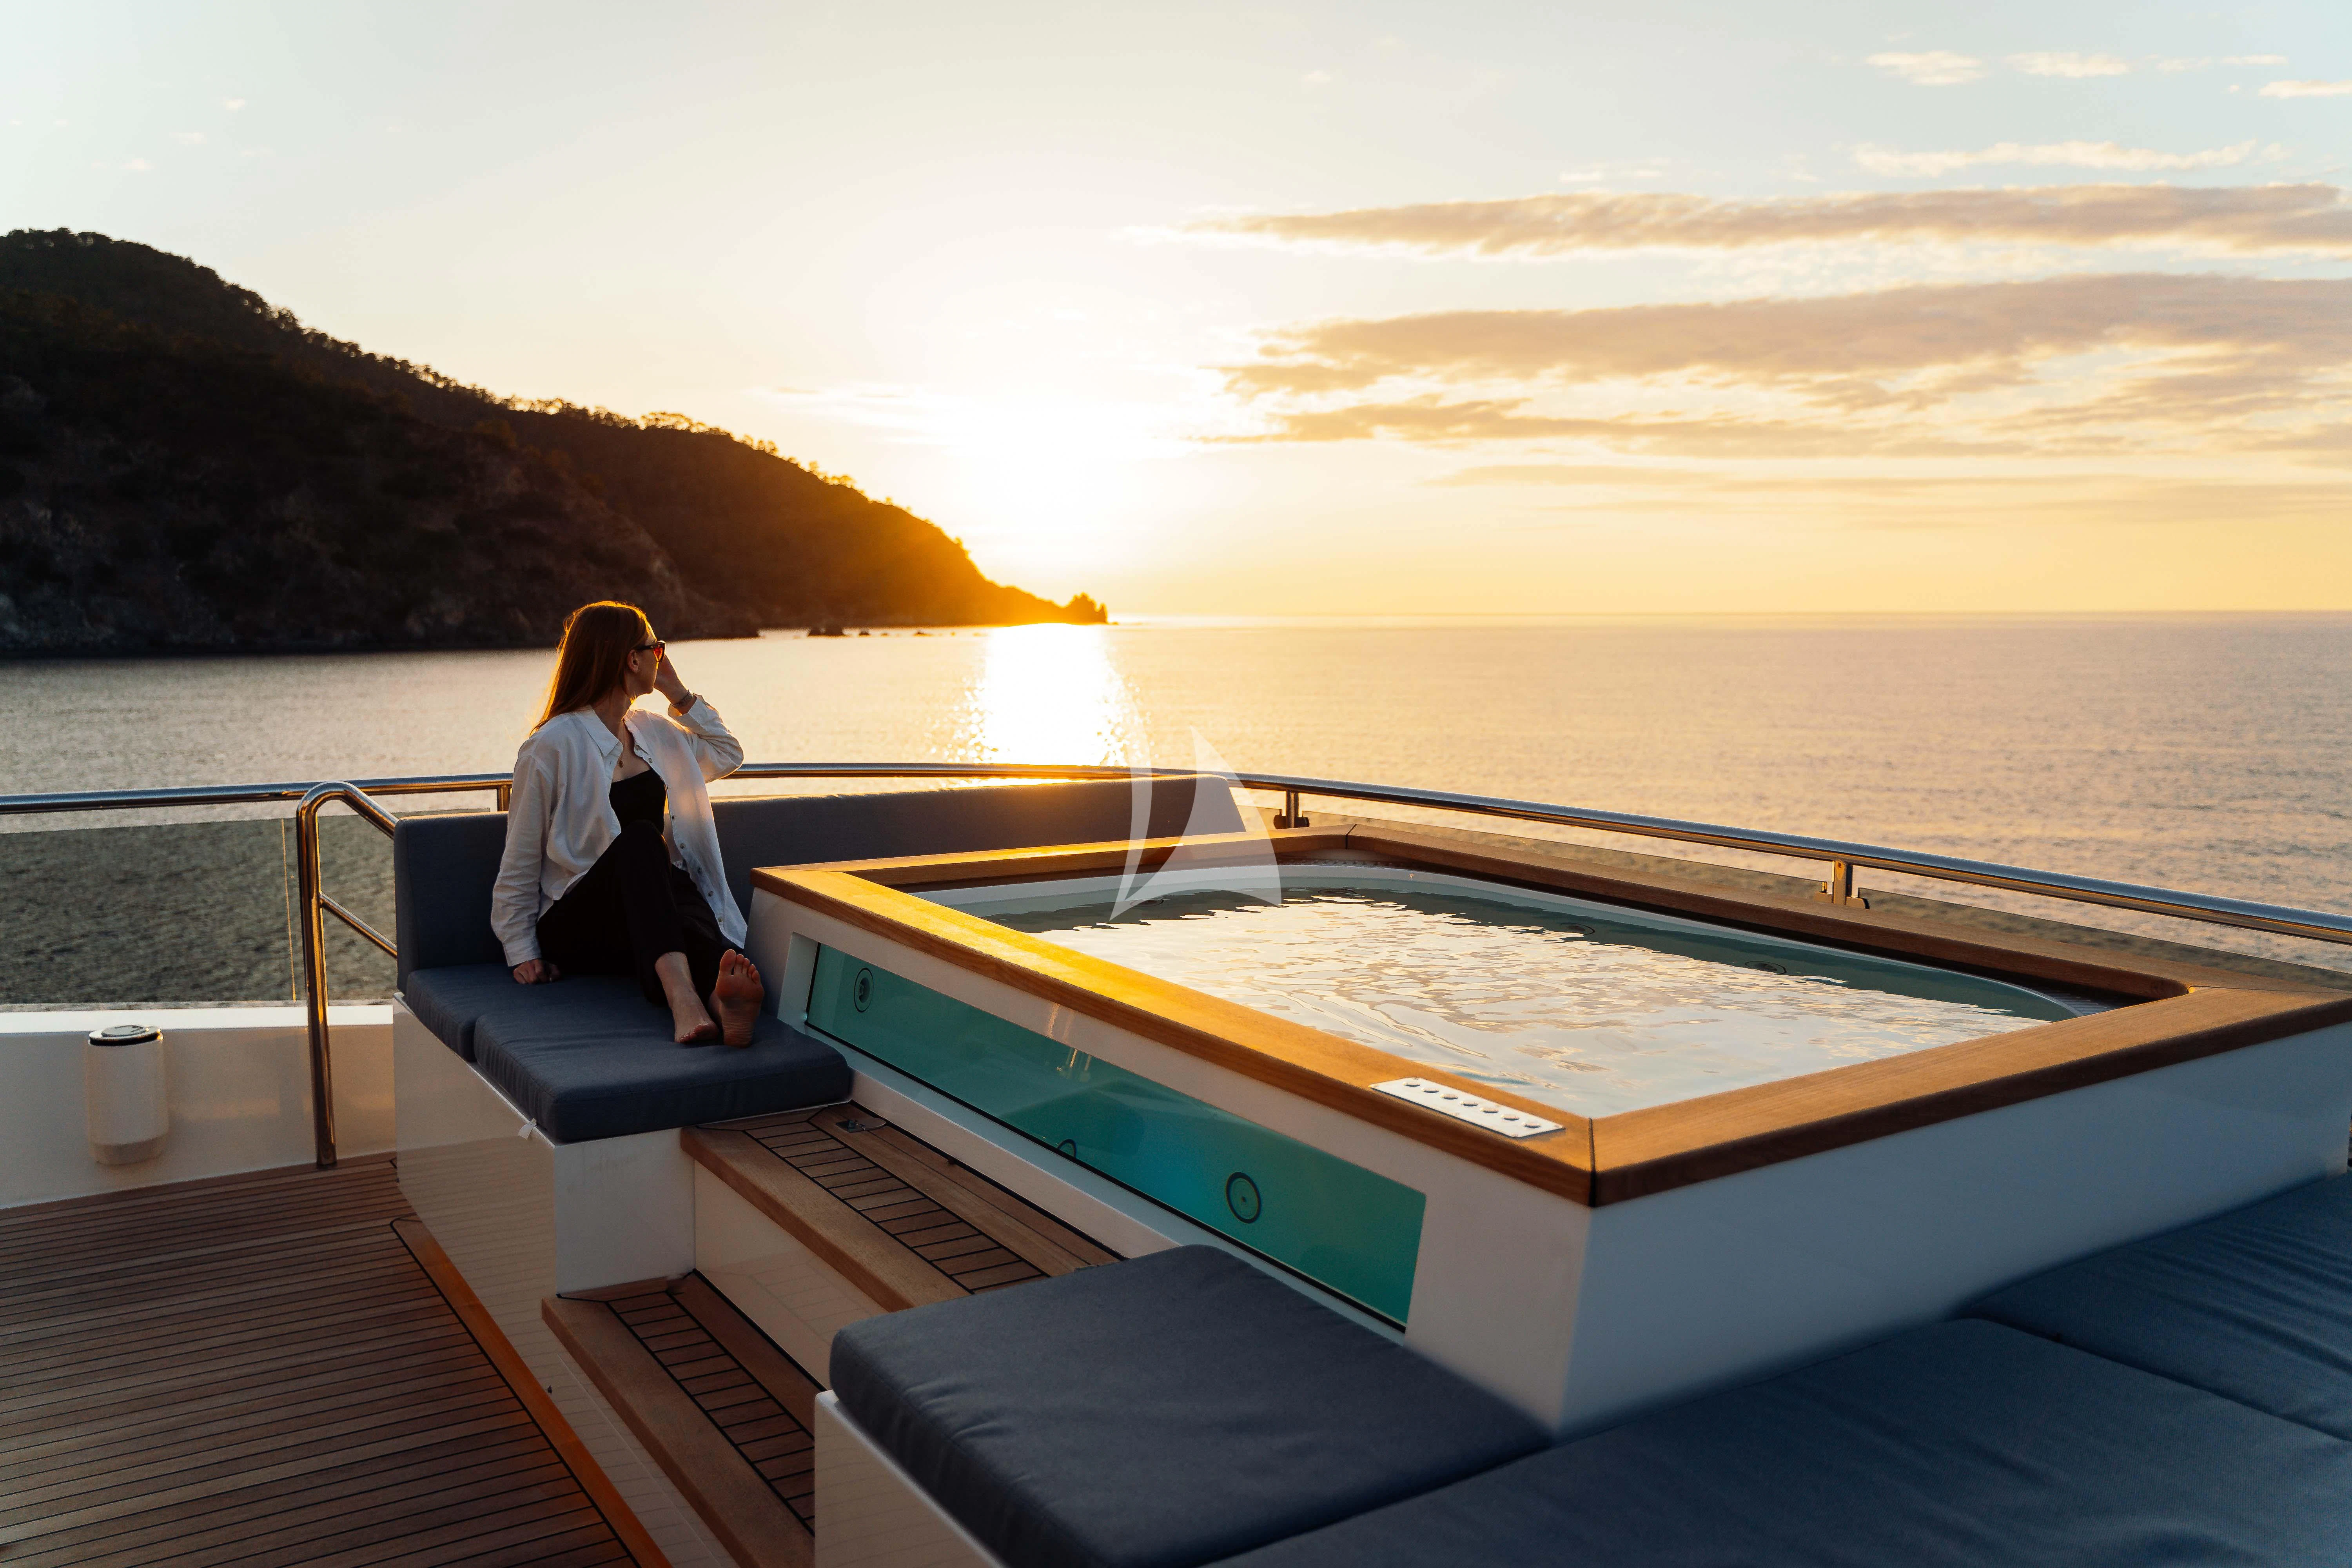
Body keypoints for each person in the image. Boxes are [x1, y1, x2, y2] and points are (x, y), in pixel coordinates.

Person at [492, 601, 765, 1045]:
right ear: (632, 660)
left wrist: (678, 692)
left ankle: (722, 1003)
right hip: (580, 920)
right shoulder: (551, 746)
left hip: (646, 914)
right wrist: (520, 949)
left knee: (682, 889)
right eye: (656, 649)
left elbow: (727, 753)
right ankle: (684, 1001)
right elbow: (520, 856)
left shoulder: (654, 732)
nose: (662, 657)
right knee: (642, 841)